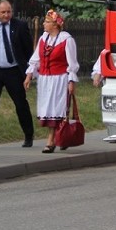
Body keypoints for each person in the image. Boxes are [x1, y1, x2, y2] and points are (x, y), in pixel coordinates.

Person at [0, 0, 35, 149]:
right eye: (3, 12)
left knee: (21, 104)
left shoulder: (20, 26)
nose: (6, 15)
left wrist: (27, 69)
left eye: (9, 11)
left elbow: (28, 48)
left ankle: (28, 135)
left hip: (14, 71)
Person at [24, 9, 79, 153]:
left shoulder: (66, 39)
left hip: (59, 79)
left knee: (58, 109)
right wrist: (29, 75)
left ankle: (51, 140)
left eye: (47, 22)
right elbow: (36, 59)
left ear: (55, 25)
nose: (44, 24)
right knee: (48, 109)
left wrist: (71, 81)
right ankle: (60, 137)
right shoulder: (44, 39)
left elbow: (72, 63)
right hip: (45, 80)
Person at [91, 49, 116, 143]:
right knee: (110, 107)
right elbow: (100, 63)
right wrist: (97, 75)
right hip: (110, 83)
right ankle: (114, 134)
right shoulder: (107, 51)